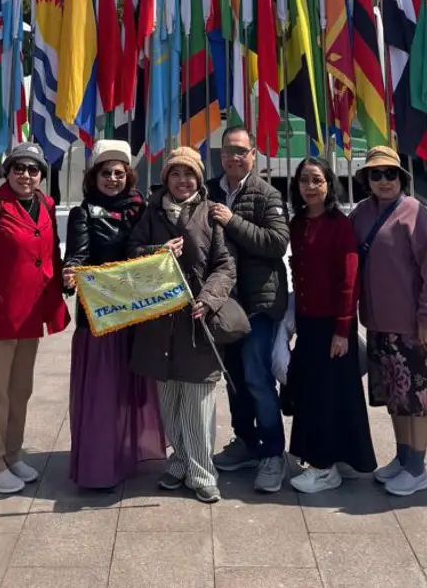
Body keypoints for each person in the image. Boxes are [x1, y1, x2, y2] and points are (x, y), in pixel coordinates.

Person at [0, 141, 70, 495]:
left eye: (33, 170)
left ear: (41, 176)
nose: (26, 175)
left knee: (21, 389)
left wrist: (58, 297)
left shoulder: (46, 204)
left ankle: (11, 453)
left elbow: (50, 254)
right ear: (7, 172)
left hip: (31, 315)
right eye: (19, 168)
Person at [127, 146, 236, 504]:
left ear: (199, 180)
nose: (182, 180)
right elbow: (131, 252)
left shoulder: (210, 213)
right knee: (169, 400)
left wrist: (209, 298)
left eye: (189, 174)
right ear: (166, 179)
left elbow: (225, 266)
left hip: (196, 322)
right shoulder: (151, 212)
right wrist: (156, 253)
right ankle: (179, 462)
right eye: (175, 174)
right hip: (159, 324)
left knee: (198, 403)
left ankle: (203, 473)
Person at [62, 140, 166, 489]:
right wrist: (70, 273)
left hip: (136, 313)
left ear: (128, 176)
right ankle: (99, 467)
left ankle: (127, 454)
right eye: (105, 173)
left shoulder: (141, 208)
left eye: (119, 173)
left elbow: (148, 248)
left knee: (130, 392)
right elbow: (77, 255)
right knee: (103, 394)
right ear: (94, 176)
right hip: (102, 316)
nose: (112, 179)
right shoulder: (83, 213)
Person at [350, 144, 427, 498]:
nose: (384, 180)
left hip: (412, 325)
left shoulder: (415, 213)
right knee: (396, 395)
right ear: (367, 180)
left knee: (418, 399)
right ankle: (403, 456)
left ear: (401, 177)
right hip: (378, 323)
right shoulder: (361, 213)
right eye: (376, 174)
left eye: (390, 173)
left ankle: (418, 467)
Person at [284, 157, 376, 494]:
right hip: (308, 322)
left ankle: (324, 467)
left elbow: (349, 280)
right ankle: (340, 458)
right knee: (316, 392)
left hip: (333, 324)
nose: (309, 187)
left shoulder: (339, 225)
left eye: (316, 180)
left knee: (330, 395)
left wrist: (342, 329)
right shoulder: (298, 223)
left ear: (329, 184)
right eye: (304, 180)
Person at [207, 126, 290, 494]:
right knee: (235, 379)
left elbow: (277, 242)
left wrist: (232, 221)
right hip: (224, 304)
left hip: (258, 304)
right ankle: (246, 442)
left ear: (253, 154)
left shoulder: (267, 194)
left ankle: (272, 453)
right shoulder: (208, 190)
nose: (234, 157)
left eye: (241, 151)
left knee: (258, 379)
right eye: (229, 150)